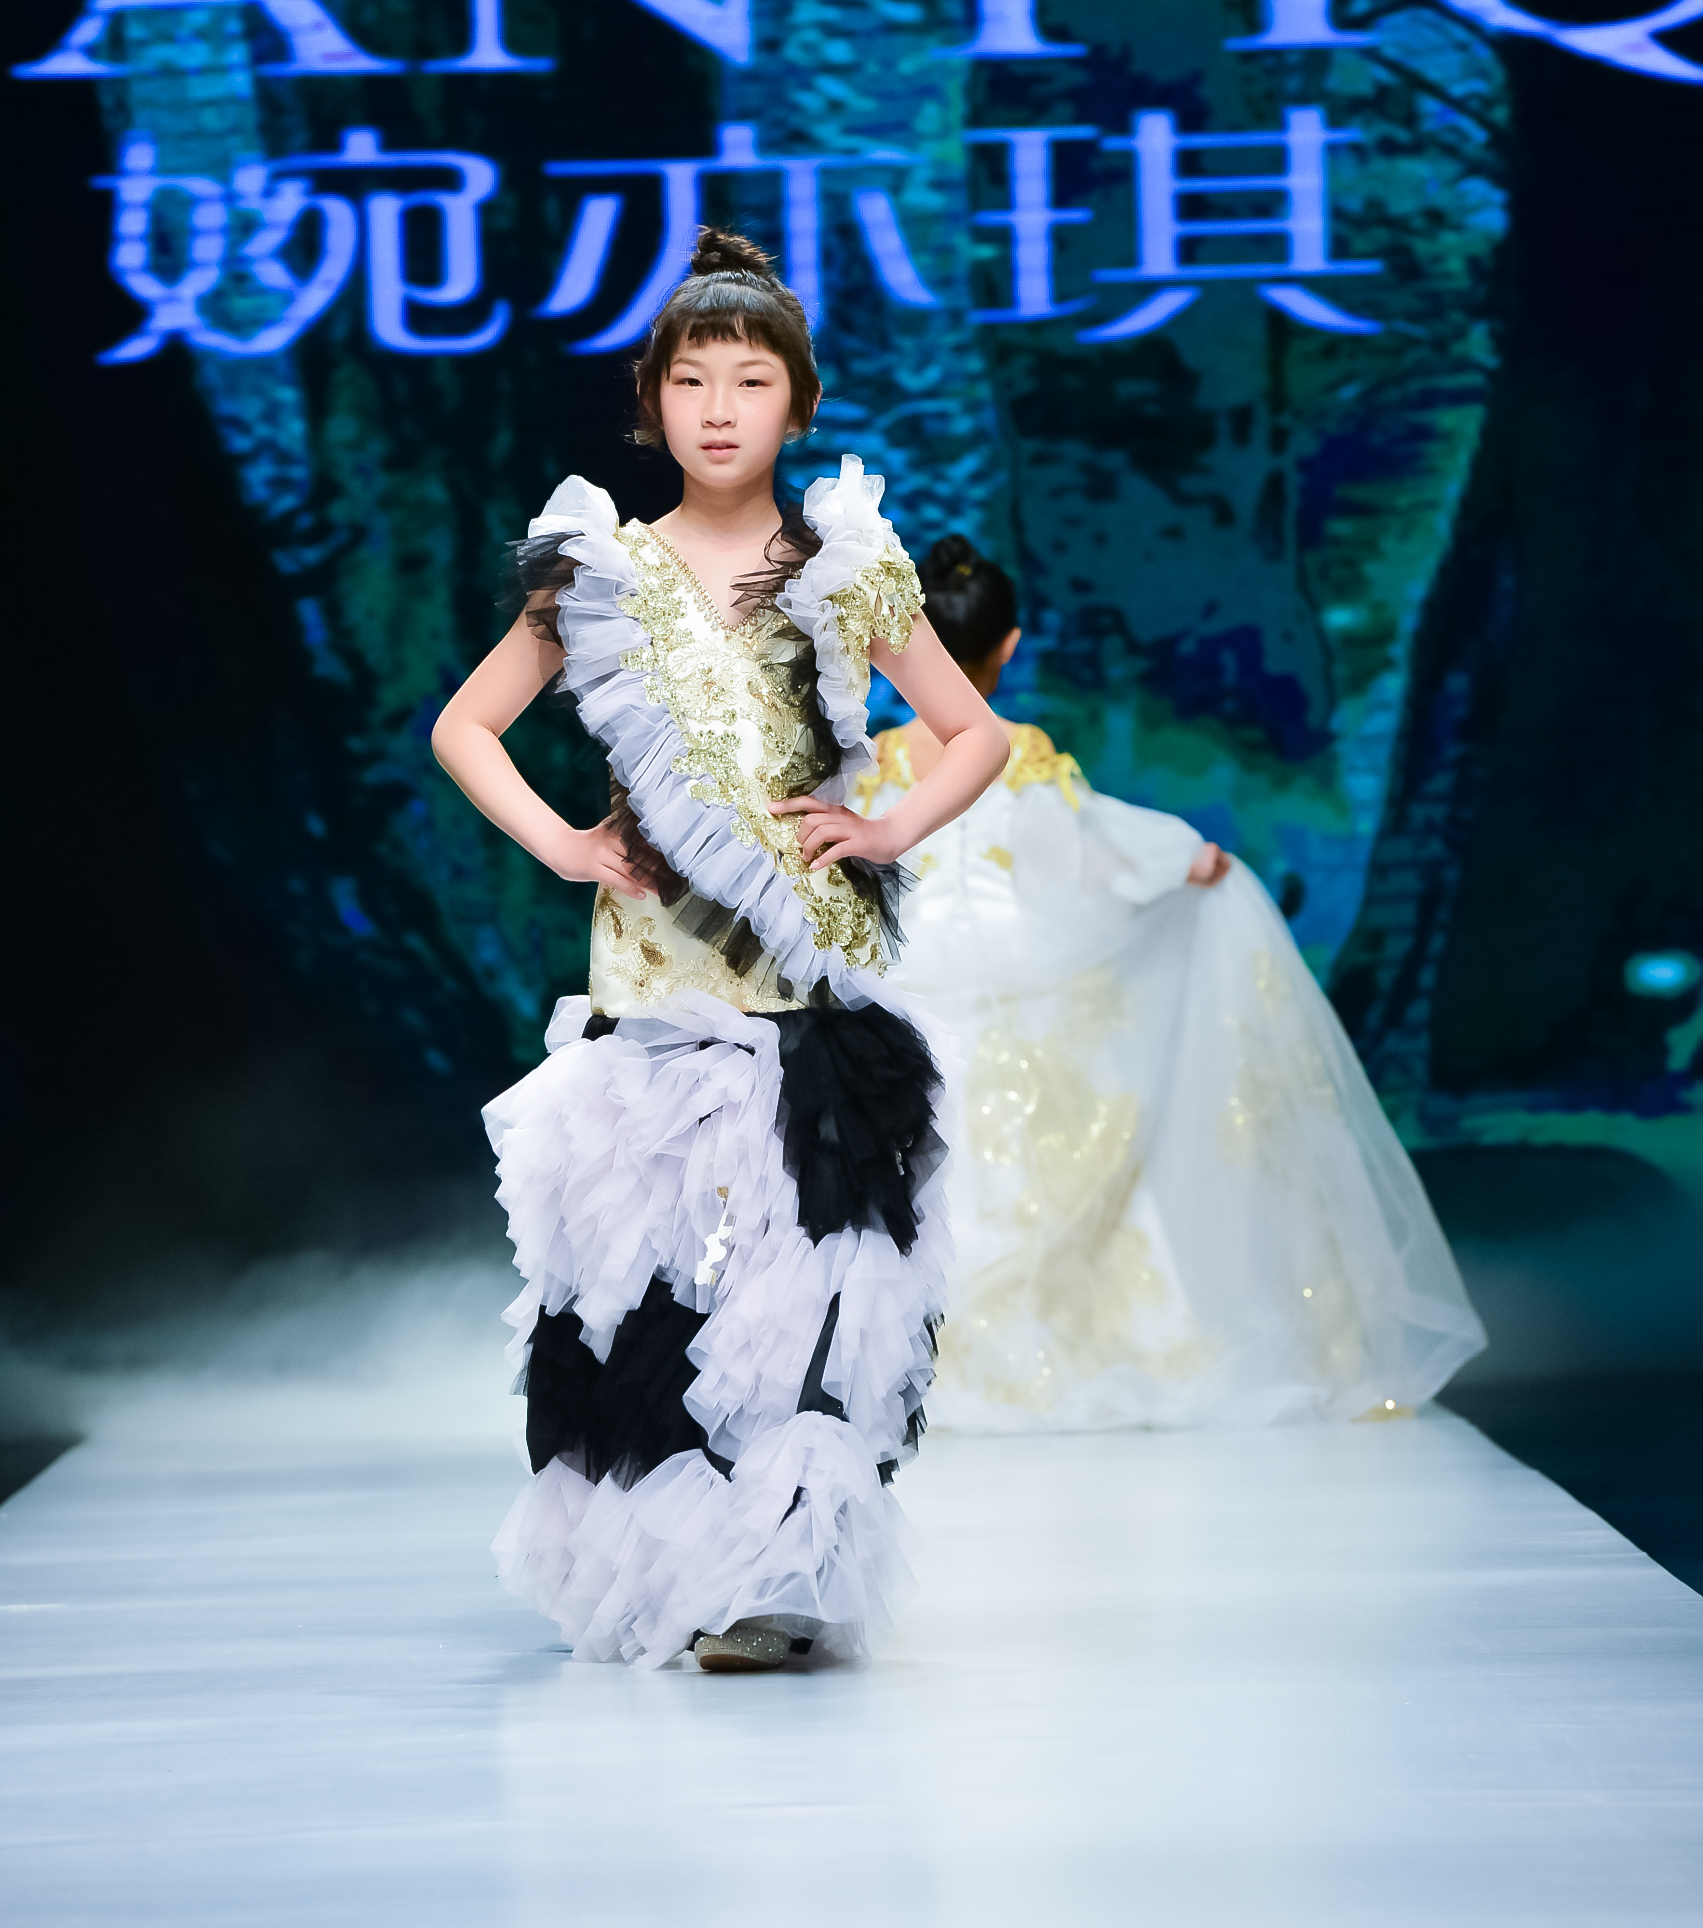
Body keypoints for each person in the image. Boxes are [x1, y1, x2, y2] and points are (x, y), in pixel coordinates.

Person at [430, 231, 1007, 1671]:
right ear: (652, 402)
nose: (718, 408)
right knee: (649, 1288)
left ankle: (778, 1579)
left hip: (804, 985)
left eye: (751, 380)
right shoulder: (600, 574)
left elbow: (972, 732)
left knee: (804, 1280)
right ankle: (675, 1563)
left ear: (798, 405)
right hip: (651, 984)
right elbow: (463, 725)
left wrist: (883, 829)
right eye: (690, 380)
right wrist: (565, 845)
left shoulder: (843, 570)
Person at [855, 536, 1486, 1435]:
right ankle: (1047, 1359)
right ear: (1010, 645)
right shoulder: (1015, 753)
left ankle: (903, 1367)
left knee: (927, 1168)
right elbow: (1085, 859)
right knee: (1047, 1156)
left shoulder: (875, 763)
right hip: (1020, 983)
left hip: (905, 980)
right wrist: (1183, 862)